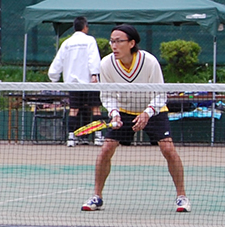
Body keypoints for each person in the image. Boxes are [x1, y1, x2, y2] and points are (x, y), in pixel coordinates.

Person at [82, 24, 188, 213]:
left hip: (153, 109)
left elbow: (160, 93)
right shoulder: (106, 64)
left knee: (168, 149)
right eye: (112, 41)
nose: (114, 45)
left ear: (131, 43)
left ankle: (182, 197)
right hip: (123, 110)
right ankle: (97, 196)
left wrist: (147, 112)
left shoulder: (149, 62)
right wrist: (114, 113)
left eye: (118, 41)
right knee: (106, 148)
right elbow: (107, 94)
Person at [48, 15, 104, 147]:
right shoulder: (90, 40)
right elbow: (94, 58)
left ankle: (71, 138)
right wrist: (95, 75)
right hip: (89, 83)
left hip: (72, 83)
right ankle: (98, 137)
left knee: (74, 109)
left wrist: (53, 77)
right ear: (85, 27)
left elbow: (58, 62)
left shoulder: (66, 43)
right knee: (95, 109)